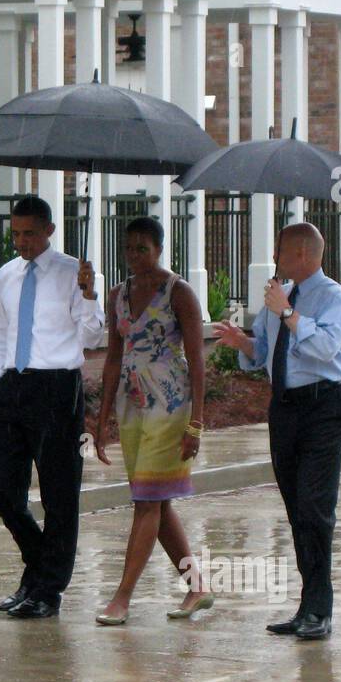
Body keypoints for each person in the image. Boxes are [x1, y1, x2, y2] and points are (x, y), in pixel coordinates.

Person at [214, 222, 341, 641]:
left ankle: (320, 609)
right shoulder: (282, 297)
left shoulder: (333, 298)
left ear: (303, 254)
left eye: (280, 252)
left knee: (316, 506)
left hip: (323, 406)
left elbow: (326, 349)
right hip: (285, 408)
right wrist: (242, 342)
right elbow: (266, 353)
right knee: (296, 509)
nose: (275, 259)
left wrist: (288, 314)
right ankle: (306, 607)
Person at [0, 194, 104, 619]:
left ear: (49, 230)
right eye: (16, 234)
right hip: (11, 386)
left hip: (56, 389)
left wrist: (90, 294)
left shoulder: (75, 272)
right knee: (2, 491)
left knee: (58, 493)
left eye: (30, 233)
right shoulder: (6, 275)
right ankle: (38, 565)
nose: (22, 242)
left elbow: (91, 337)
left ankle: (47, 589)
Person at [89, 217, 210, 625]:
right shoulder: (118, 295)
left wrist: (197, 422)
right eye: (129, 248)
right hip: (131, 407)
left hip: (170, 406)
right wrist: (101, 417)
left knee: (146, 500)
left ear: (159, 249)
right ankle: (197, 585)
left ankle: (121, 597)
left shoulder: (180, 293)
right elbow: (112, 359)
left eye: (143, 248)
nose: (135, 255)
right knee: (155, 499)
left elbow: (196, 361)